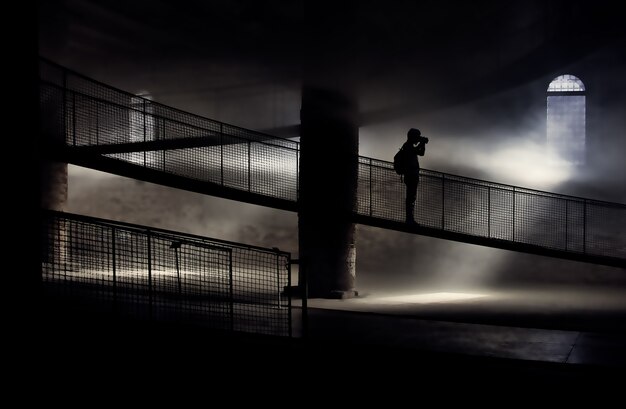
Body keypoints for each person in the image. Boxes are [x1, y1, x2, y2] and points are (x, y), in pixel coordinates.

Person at [402, 128, 427, 225]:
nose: (418, 139)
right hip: (410, 175)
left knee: (412, 198)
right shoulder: (408, 146)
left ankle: (410, 219)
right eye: (417, 137)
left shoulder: (409, 146)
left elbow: (421, 153)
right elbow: (416, 151)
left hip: (412, 175)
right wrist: (422, 142)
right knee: (410, 198)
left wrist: (423, 143)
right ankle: (409, 219)